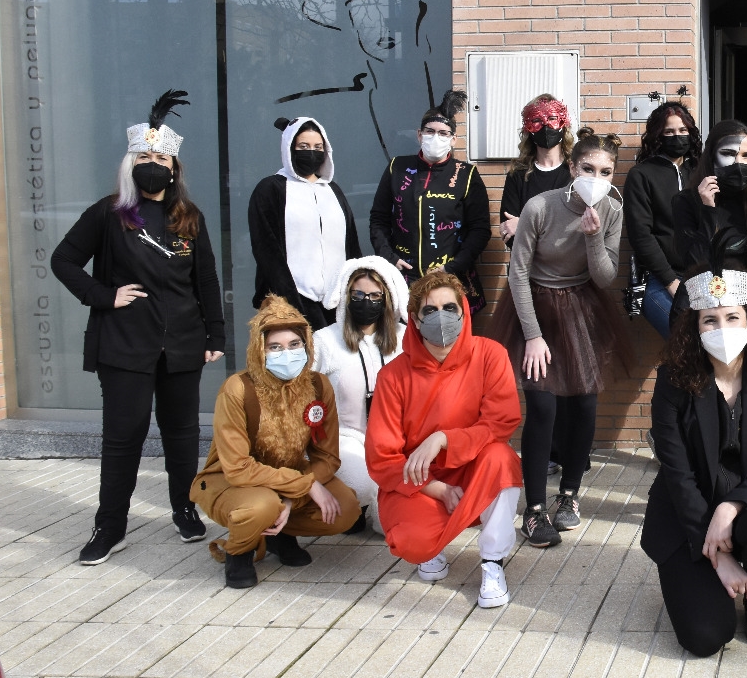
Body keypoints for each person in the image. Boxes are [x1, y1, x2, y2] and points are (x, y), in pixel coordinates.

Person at [51, 91, 226, 565]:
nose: (153, 163)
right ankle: (110, 526)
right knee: (124, 434)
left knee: (182, 433)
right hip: (125, 343)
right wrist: (104, 296)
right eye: (144, 156)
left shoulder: (188, 216)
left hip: (183, 344)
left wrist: (215, 335)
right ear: (131, 163)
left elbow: (205, 277)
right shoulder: (110, 213)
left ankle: (184, 509)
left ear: (175, 166)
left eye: (162, 156)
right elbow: (63, 260)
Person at [643, 255, 747, 655]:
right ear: (694, 328)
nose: (722, 328)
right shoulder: (672, 381)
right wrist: (717, 555)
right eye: (710, 320)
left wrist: (729, 507)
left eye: (732, 317)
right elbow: (677, 473)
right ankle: (721, 575)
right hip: (687, 513)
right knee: (705, 638)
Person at [489, 127, 628, 547]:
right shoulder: (539, 206)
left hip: (583, 306)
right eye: (588, 168)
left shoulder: (612, 211)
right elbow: (518, 272)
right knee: (544, 406)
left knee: (585, 401)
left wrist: (591, 238)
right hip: (535, 305)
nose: (596, 178)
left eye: (605, 172)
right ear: (572, 167)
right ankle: (533, 510)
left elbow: (605, 278)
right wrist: (532, 335)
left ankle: (569, 495)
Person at [366, 271, 525, 609]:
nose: (442, 317)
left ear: (464, 311)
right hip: (418, 481)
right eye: (430, 310)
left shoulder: (490, 355)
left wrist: (443, 439)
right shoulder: (392, 376)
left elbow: (501, 421)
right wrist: (437, 488)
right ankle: (432, 548)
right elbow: (382, 457)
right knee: (412, 542)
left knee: (503, 459)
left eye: (449, 307)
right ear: (414, 319)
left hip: (474, 468)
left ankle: (493, 562)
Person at [189, 295, 361, 589]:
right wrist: (305, 485)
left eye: (295, 345)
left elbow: (327, 457)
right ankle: (240, 552)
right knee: (260, 506)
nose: (288, 354)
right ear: (260, 351)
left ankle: (279, 536)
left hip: (288, 475)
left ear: (306, 344)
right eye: (275, 347)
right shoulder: (237, 389)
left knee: (346, 509)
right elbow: (238, 468)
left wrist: (292, 496)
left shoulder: (318, 385)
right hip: (232, 481)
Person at [369, 92, 493, 313]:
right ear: (419, 134)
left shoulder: (466, 174)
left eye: (444, 133)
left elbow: (480, 229)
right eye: (430, 131)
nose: (436, 138)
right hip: (403, 278)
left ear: (453, 139)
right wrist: (390, 258)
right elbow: (378, 219)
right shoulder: (397, 168)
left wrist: (452, 267)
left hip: (451, 278)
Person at [311, 256, 409, 535]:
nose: (366, 301)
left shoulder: (404, 339)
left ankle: (378, 508)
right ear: (346, 295)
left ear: (386, 298)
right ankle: (355, 498)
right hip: (346, 439)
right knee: (364, 481)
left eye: (375, 295)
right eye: (358, 294)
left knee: (396, 524)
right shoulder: (325, 341)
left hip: (395, 439)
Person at [246, 115, 362, 330]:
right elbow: (266, 250)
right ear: (289, 148)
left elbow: (351, 245)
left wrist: (358, 291)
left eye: (318, 147)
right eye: (303, 146)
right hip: (291, 300)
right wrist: (290, 301)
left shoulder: (333, 191)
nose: (312, 152)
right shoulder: (271, 189)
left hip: (337, 302)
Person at [673, 119, 747, 311]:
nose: (738, 163)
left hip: (745, 308)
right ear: (711, 156)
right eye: (728, 153)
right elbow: (694, 263)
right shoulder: (687, 201)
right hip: (703, 309)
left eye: (746, 156)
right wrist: (708, 211)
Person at [622, 99, 701, 338]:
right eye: (669, 132)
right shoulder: (641, 175)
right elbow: (640, 235)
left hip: (700, 275)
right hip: (658, 279)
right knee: (686, 341)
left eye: (682, 130)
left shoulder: (700, 172)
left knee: (709, 343)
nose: (677, 136)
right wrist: (671, 283)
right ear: (658, 135)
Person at [499, 93, 574, 247]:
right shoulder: (517, 175)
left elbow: (575, 230)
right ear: (528, 127)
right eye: (537, 120)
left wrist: (523, 225)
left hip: (569, 267)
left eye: (552, 118)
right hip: (527, 267)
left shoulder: (575, 171)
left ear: (563, 123)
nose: (545, 125)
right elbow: (509, 234)